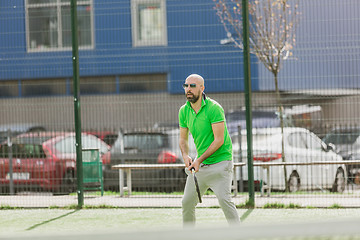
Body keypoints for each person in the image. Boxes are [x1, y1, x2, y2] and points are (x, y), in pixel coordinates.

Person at [178, 73, 240, 227]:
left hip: (221, 163)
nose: (188, 89)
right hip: (201, 166)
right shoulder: (184, 111)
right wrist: (185, 155)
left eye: (193, 86)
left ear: (202, 88)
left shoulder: (214, 108)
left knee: (224, 201)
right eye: (186, 86)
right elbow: (183, 139)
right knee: (186, 202)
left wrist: (198, 160)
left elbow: (219, 140)